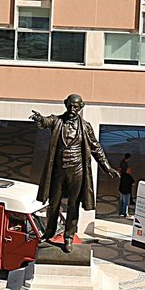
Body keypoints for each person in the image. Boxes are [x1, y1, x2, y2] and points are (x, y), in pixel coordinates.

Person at [30, 94, 118, 253]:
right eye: (70, 106)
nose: (72, 109)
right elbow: (45, 122)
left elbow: (96, 148)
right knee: (54, 203)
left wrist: (107, 167)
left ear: (81, 107)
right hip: (58, 170)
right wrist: (40, 119)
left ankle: (69, 236)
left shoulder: (86, 126)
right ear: (65, 104)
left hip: (77, 171)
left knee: (73, 205)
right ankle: (49, 231)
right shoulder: (57, 121)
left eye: (76, 107)